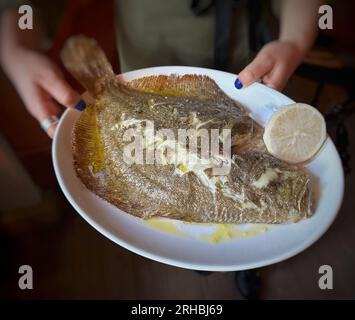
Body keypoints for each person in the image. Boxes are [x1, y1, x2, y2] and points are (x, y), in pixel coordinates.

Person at [0, 0, 323, 299]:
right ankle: (209, 262)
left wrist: (294, 38)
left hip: (257, 72)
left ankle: (244, 263)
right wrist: (12, 48)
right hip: (146, 57)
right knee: (201, 230)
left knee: (238, 227)